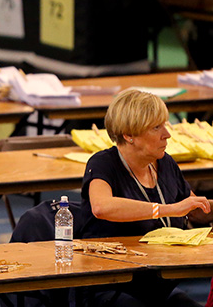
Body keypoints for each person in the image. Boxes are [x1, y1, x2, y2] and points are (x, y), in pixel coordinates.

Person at [81, 89, 213, 307]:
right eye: (156, 127)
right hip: (112, 282)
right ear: (128, 135)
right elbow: (101, 207)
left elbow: (194, 208)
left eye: (164, 124)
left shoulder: (166, 163)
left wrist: (204, 206)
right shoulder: (103, 163)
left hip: (156, 284)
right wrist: (167, 209)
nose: (167, 134)